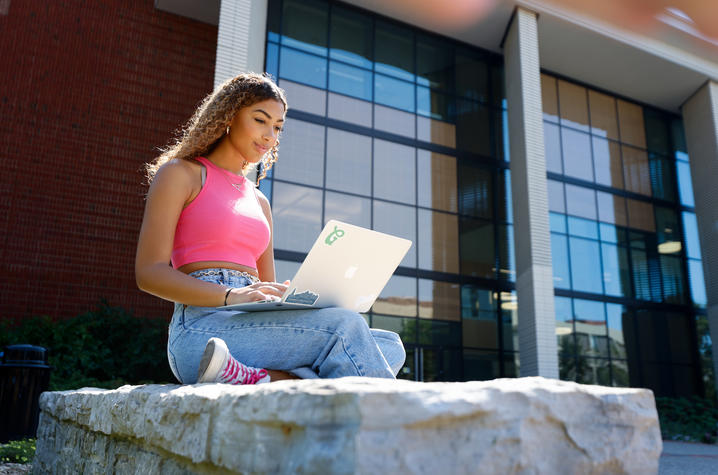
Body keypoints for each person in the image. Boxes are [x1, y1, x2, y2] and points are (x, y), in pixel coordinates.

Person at [135, 72, 406, 385]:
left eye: (278, 127)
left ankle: (259, 377)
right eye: (261, 120)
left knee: (389, 344)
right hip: (201, 329)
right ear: (229, 116)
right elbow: (149, 273)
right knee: (345, 330)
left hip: (254, 322)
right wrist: (231, 294)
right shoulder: (181, 174)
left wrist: (291, 298)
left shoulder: (259, 201)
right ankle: (290, 381)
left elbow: (266, 286)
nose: (270, 136)